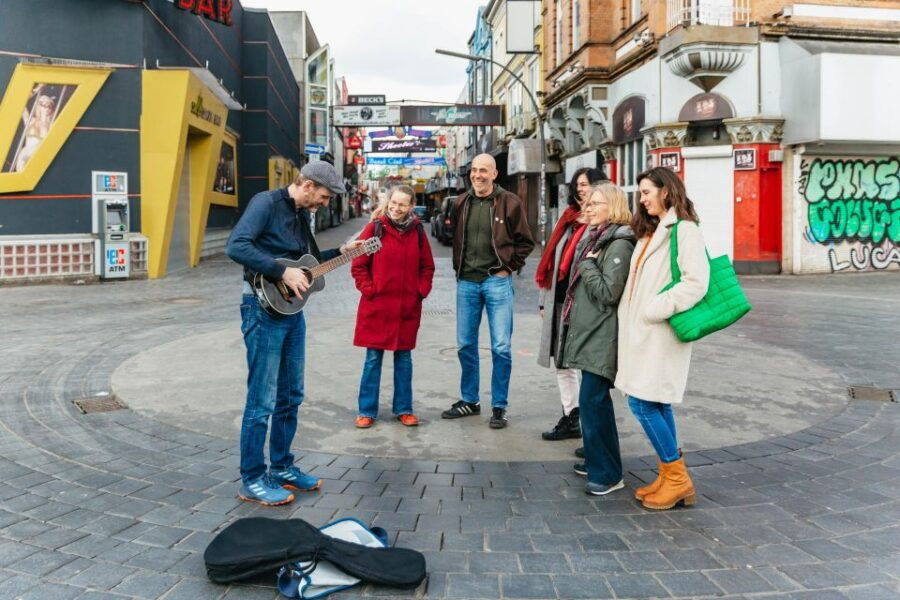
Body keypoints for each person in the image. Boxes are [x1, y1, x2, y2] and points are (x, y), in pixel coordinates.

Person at [225, 161, 364, 507]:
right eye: (323, 195)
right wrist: (280, 273)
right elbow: (236, 246)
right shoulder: (265, 204)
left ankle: (282, 467)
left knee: (292, 395)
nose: (325, 202)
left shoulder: (303, 216)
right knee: (262, 400)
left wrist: (341, 253)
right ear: (306, 183)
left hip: (291, 313)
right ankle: (253, 479)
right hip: (261, 309)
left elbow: (309, 263)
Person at [616, 167, 710, 511]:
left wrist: (655, 308)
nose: (641, 199)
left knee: (641, 403)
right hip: (641, 332)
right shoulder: (649, 231)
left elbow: (696, 282)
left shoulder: (684, 231)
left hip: (660, 331)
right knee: (655, 402)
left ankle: (677, 477)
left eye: (645, 192)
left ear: (666, 192)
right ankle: (669, 474)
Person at [441, 153, 535, 429]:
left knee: (501, 347)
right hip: (467, 283)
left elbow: (525, 242)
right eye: (474, 170)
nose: (477, 175)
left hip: (497, 282)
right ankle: (470, 400)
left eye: (484, 170)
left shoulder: (510, 202)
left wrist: (509, 267)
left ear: (494, 174)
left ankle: (499, 406)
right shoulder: (461, 202)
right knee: (466, 345)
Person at [556, 183, 634, 495]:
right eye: (587, 203)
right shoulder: (596, 238)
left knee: (594, 401)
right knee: (591, 403)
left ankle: (609, 473)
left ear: (613, 206)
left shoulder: (618, 244)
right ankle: (596, 460)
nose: (587, 208)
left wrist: (587, 263)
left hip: (603, 333)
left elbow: (607, 292)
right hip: (590, 331)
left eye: (596, 204)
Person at [351, 185, 435, 428]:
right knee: (373, 359)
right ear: (388, 203)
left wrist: (420, 291)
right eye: (394, 203)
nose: (396, 209)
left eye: (402, 204)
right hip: (377, 307)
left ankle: (404, 409)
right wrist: (370, 290)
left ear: (411, 206)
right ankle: (366, 410)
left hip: (406, 308)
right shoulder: (375, 228)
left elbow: (427, 266)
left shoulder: (417, 231)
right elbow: (359, 265)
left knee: (404, 359)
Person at [535, 166, 607, 442]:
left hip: (584, 303)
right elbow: (552, 260)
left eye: (586, 184)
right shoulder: (567, 219)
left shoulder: (601, 224)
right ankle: (571, 415)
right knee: (563, 363)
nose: (580, 189)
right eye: (577, 185)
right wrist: (544, 300)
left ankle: (589, 423)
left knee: (583, 364)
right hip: (559, 299)